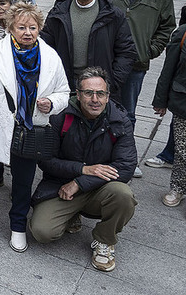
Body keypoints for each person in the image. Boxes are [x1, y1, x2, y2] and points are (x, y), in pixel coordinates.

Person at [0, 1, 71, 252]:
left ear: (39, 28)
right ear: (10, 27)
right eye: (21, 27)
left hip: (29, 132)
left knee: (23, 182)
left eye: (32, 27)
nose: (27, 32)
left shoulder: (51, 57)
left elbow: (64, 92)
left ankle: (18, 226)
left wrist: (51, 102)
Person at [29, 69, 137, 273]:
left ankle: (104, 240)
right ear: (77, 95)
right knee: (42, 232)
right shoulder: (60, 116)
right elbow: (45, 161)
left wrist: (80, 182)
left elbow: (125, 166)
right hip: (60, 185)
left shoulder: (120, 120)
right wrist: (82, 169)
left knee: (124, 195)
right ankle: (71, 214)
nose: (94, 99)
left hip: (99, 188)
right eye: (88, 93)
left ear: (108, 95)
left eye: (100, 94)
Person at [97, 0, 175, 179]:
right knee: (95, 106)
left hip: (135, 63)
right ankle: (96, 154)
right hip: (103, 59)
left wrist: (149, 50)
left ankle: (126, 158)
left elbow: (167, 26)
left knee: (127, 112)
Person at [40, 0, 137, 99]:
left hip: (98, 85)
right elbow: (45, 47)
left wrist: (112, 82)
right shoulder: (59, 12)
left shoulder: (112, 14)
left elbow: (126, 51)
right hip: (65, 82)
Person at [153, 17, 186, 209]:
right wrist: (161, 100)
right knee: (182, 150)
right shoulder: (182, 33)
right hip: (183, 103)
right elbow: (168, 69)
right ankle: (178, 187)